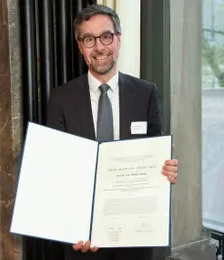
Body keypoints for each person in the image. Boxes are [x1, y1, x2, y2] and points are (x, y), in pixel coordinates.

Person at [46, 4, 178, 260]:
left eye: (106, 36)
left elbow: (155, 162)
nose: (99, 47)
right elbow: (57, 173)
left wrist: (166, 170)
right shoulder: (60, 98)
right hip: (82, 239)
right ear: (80, 46)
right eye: (88, 39)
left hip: (135, 238)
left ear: (119, 38)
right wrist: (71, 227)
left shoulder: (146, 93)